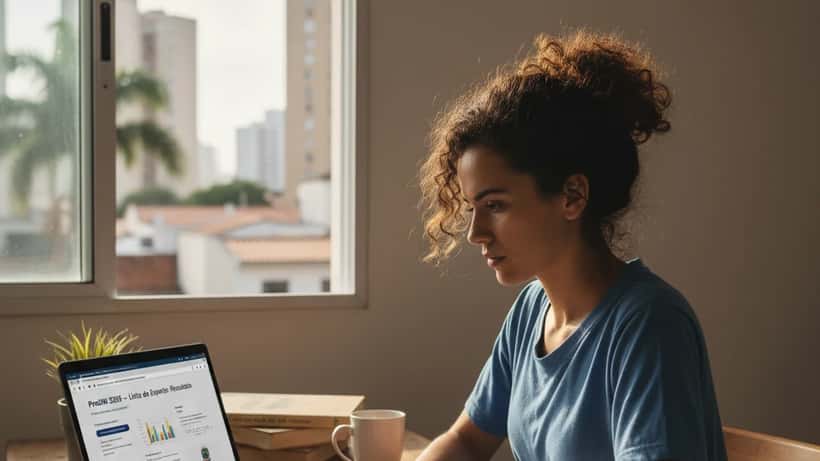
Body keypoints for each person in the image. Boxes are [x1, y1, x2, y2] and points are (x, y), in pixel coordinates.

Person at [416, 30, 727, 461]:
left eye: (496, 205)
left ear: (572, 196)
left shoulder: (649, 325)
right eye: (472, 207)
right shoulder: (531, 311)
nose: (476, 233)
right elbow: (466, 442)